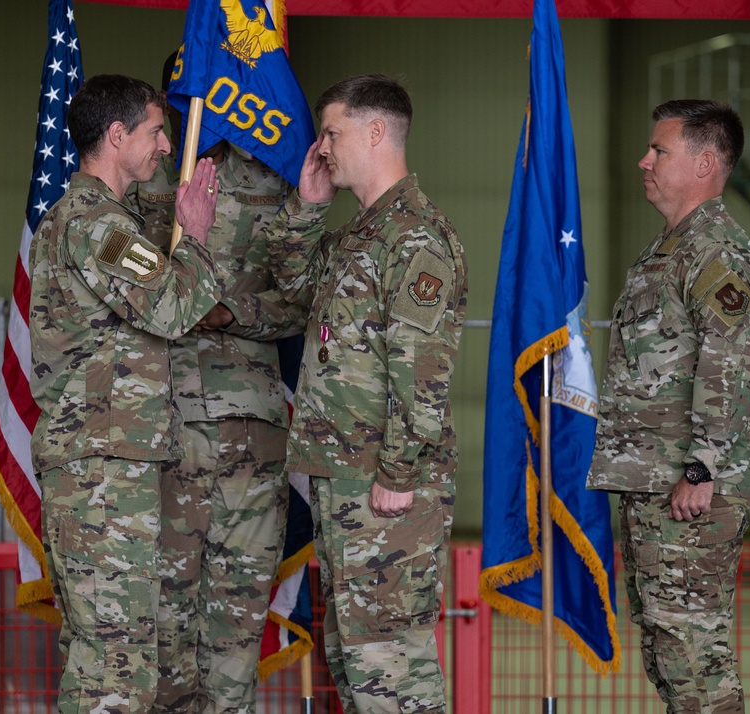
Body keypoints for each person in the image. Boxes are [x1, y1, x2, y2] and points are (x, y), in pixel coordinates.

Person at [260, 74, 468, 714]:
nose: (322, 147)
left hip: (386, 488)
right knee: (356, 667)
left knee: (392, 670)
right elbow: (292, 287)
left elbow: (422, 371)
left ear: (376, 132)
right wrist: (308, 205)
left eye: (332, 132)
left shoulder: (416, 237)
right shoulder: (359, 235)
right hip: (343, 480)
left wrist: (399, 471)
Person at [28, 73, 225, 714]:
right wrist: (194, 234)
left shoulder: (105, 221)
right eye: (155, 131)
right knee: (115, 660)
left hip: (107, 464)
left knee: (114, 652)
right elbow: (171, 309)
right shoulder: (96, 226)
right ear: (117, 137)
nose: (167, 146)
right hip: (101, 470)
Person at [134, 56, 307, 714]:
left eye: (212, 93)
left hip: (249, 447)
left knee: (234, 649)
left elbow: (298, 302)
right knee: (163, 642)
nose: (197, 108)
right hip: (164, 441)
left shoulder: (273, 179)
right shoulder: (141, 183)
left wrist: (228, 311)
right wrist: (184, 288)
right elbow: (125, 295)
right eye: (186, 97)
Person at [587, 99, 750, 713]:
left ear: (705, 162)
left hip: (690, 488)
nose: (644, 160)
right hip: (656, 483)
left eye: (659, 150)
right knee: (670, 651)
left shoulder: (717, 251)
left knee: (694, 653)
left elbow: (732, 364)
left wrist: (702, 467)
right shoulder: (672, 248)